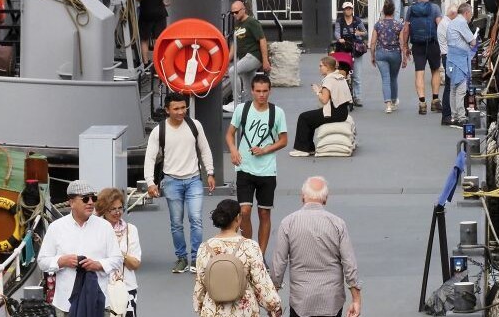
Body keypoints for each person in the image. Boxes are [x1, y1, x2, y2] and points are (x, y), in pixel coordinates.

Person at [144, 92, 216, 274]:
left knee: (196, 219)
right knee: (176, 222)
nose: (181, 111)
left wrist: (210, 172)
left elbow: (205, 149)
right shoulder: (159, 131)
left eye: (183, 107)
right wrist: (150, 182)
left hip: (193, 179)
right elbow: (150, 158)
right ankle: (182, 258)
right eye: (176, 108)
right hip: (171, 181)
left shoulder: (194, 125)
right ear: (167, 110)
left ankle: (196, 258)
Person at [272, 176, 362, 317]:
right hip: (331, 299)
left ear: (303, 197)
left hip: (301, 299)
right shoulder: (338, 224)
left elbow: (279, 265)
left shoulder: (288, 223)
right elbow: (349, 263)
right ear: (325, 198)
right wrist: (356, 299)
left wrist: (273, 299)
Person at [38, 181, 123, 317]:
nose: (90, 202)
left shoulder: (105, 227)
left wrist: (98, 265)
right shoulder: (56, 228)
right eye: (85, 199)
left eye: (93, 198)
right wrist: (62, 261)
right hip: (65, 305)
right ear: (71, 203)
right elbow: (42, 261)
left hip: (97, 302)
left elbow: (117, 259)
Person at [225, 74, 288, 254]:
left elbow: (283, 140)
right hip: (244, 168)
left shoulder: (277, 113)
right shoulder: (242, 110)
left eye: (265, 91)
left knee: (264, 213)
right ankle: (249, 250)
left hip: (267, 170)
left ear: (270, 91)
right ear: (252, 91)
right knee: (244, 211)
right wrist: (234, 150)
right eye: (258, 91)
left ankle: (260, 255)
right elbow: (230, 134)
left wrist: (266, 150)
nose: (262, 95)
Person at [193, 199, 282, 317]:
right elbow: (261, 282)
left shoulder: (205, 248)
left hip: (213, 310)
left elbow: (201, 283)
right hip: (244, 311)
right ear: (238, 218)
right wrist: (274, 307)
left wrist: (200, 306)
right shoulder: (249, 246)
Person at [290, 56, 352, 157]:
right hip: (343, 112)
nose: (319, 68)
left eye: (321, 66)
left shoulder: (328, 80)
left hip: (333, 113)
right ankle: (309, 148)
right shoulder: (339, 77)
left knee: (303, 117)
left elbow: (324, 100)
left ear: (327, 67)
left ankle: (302, 149)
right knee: (310, 119)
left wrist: (318, 91)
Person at [95, 188, 142, 317]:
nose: (117, 212)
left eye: (120, 208)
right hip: (102, 289)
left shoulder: (131, 230)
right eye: (112, 209)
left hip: (127, 288)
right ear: (104, 210)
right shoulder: (95, 231)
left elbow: (135, 264)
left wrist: (118, 253)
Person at [224, 0, 271, 112]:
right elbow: (234, 45)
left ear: (243, 10)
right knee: (247, 83)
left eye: (236, 12)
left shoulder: (252, 22)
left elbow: (262, 40)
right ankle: (250, 107)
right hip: (244, 57)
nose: (234, 15)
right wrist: (225, 62)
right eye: (232, 13)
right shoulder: (237, 24)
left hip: (253, 55)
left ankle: (237, 102)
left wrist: (265, 60)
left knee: (233, 71)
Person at [403, 0, 443, 115]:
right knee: (435, 71)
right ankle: (435, 101)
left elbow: (406, 29)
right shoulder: (435, 8)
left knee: (419, 73)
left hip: (417, 44)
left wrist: (405, 46)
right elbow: (440, 26)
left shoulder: (411, 9)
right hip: (433, 43)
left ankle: (422, 103)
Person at [370, 0, 407, 113]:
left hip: (381, 53)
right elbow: (402, 42)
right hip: (395, 53)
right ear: (394, 11)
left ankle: (388, 105)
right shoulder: (398, 25)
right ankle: (394, 100)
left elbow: (372, 42)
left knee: (385, 79)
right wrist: (404, 57)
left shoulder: (378, 24)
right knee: (393, 78)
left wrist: (372, 56)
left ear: (383, 11)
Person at [445, 3, 477, 125]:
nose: (471, 18)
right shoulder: (461, 22)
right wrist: (472, 42)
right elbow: (472, 41)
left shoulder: (452, 22)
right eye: (471, 14)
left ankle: (454, 115)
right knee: (461, 89)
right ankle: (461, 116)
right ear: (466, 13)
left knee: (453, 88)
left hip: (451, 58)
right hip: (459, 60)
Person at [135, 0, 170, 66]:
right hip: (160, 13)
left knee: (144, 39)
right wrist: (165, 3)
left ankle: (146, 63)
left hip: (146, 14)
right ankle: (158, 64)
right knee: (158, 39)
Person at [333, 1, 368, 107]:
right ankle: (343, 97)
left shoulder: (357, 21)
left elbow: (365, 32)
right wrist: (339, 39)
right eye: (346, 9)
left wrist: (359, 33)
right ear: (343, 10)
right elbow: (337, 32)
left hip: (356, 49)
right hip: (343, 50)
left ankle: (357, 97)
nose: (348, 10)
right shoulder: (339, 21)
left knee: (356, 76)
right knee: (342, 75)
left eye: (350, 9)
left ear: (352, 10)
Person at [437, 4, 457, 124]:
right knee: (450, 86)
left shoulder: (444, 23)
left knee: (450, 85)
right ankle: (447, 115)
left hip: (447, 56)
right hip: (449, 56)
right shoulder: (448, 25)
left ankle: (449, 114)